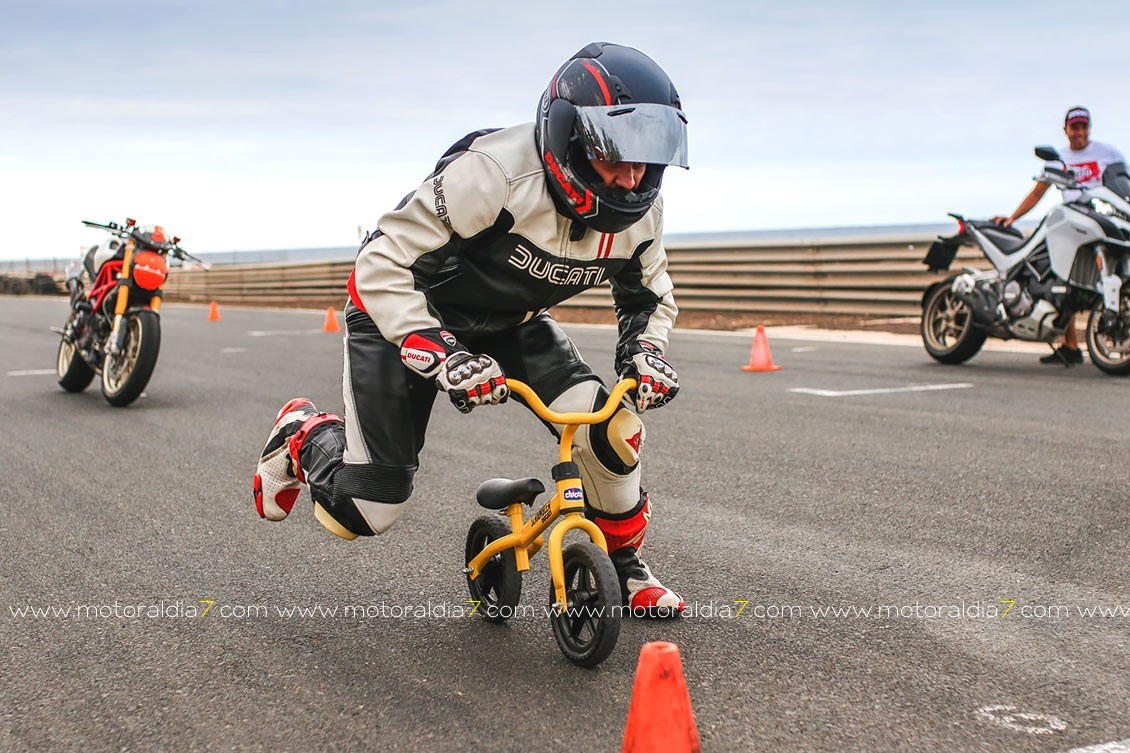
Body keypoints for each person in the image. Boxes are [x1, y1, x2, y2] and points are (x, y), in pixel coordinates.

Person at [252, 42, 689, 616]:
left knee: (613, 431)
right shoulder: (494, 175)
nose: (633, 178)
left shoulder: (641, 211)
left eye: (648, 158)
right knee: (365, 510)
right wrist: (435, 348)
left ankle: (626, 567)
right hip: (407, 314)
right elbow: (380, 263)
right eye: (616, 155)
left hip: (513, 326)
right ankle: (303, 436)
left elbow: (650, 296)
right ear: (570, 142)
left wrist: (647, 352)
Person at [993, 106, 1127, 365]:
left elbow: (1123, 185)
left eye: (1084, 126)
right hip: (1070, 221)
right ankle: (1070, 346)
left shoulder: (1109, 153)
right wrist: (1013, 218)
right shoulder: (1059, 157)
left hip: (1101, 220)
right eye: (1074, 127)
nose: (1080, 132)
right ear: (1065, 130)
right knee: (1059, 278)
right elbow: (1038, 192)